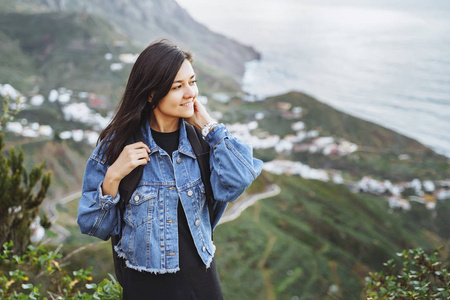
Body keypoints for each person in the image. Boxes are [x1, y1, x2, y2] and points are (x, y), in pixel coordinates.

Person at [77, 40, 263, 299]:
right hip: (145, 288)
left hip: (203, 283)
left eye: (192, 81)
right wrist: (113, 177)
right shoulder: (117, 146)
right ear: (152, 93)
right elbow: (93, 225)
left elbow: (238, 180)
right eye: (178, 86)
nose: (190, 93)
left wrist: (209, 126)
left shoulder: (202, 143)